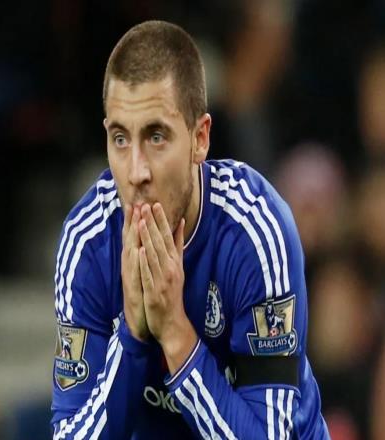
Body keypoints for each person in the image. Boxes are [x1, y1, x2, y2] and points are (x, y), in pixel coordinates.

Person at [51, 20, 330, 439]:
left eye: (156, 136)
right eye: (121, 139)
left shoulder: (255, 231)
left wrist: (176, 334)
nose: (136, 172)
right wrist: (132, 335)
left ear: (200, 138)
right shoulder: (88, 242)